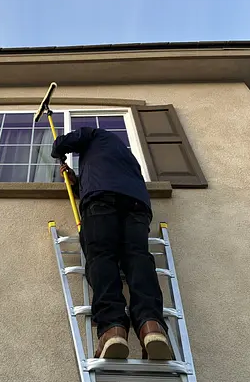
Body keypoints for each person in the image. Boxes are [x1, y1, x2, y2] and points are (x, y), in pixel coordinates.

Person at [51, 126, 173, 363]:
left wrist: (58, 150)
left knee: (101, 256)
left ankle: (112, 328)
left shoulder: (94, 134)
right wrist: (77, 184)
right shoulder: (127, 159)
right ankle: (151, 326)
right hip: (137, 204)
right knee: (137, 257)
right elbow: (109, 181)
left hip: (101, 201)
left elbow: (66, 142)